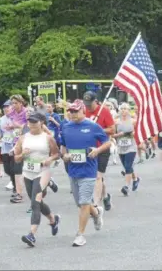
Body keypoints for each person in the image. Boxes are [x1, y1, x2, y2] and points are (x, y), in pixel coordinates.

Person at [61, 99, 110, 247]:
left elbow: (107, 142)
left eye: (76, 111)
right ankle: (96, 213)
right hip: (73, 171)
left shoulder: (92, 126)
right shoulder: (66, 127)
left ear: (83, 111)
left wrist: (97, 150)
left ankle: (80, 235)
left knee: (83, 204)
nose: (73, 114)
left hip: (88, 171)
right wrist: (65, 156)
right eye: (71, 111)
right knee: (81, 203)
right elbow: (63, 145)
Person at [14, 111, 61, 247]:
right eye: (30, 122)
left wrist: (49, 159)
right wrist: (22, 154)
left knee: (35, 203)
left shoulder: (47, 138)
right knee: (37, 203)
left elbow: (57, 154)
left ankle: (32, 235)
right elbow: (16, 158)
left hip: (43, 172)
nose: (32, 124)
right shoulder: (23, 138)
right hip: (28, 173)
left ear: (41, 123)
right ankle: (53, 219)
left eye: (35, 122)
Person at [83, 91, 115, 211]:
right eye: (86, 104)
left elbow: (112, 129)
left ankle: (96, 203)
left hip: (102, 147)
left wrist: (97, 129)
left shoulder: (104, 111)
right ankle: (106, 196)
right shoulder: (83, 111)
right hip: (88, 147)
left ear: (95, 101)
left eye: (90, 104)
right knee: (97, 177)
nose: (88, 107)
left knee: (97, 176)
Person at [113, 103, 140, 195]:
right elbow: (112, 134)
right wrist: (118, 135)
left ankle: (126, 187)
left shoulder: (133, 121)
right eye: (122, 108)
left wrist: (134, 133)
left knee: (128, 167)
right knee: (127, 166)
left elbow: (138, 132)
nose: (124, 110)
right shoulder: (116, 121)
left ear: (129, 110)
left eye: (126, 109)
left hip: (131, 147)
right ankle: (135, 179)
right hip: (121, 147)